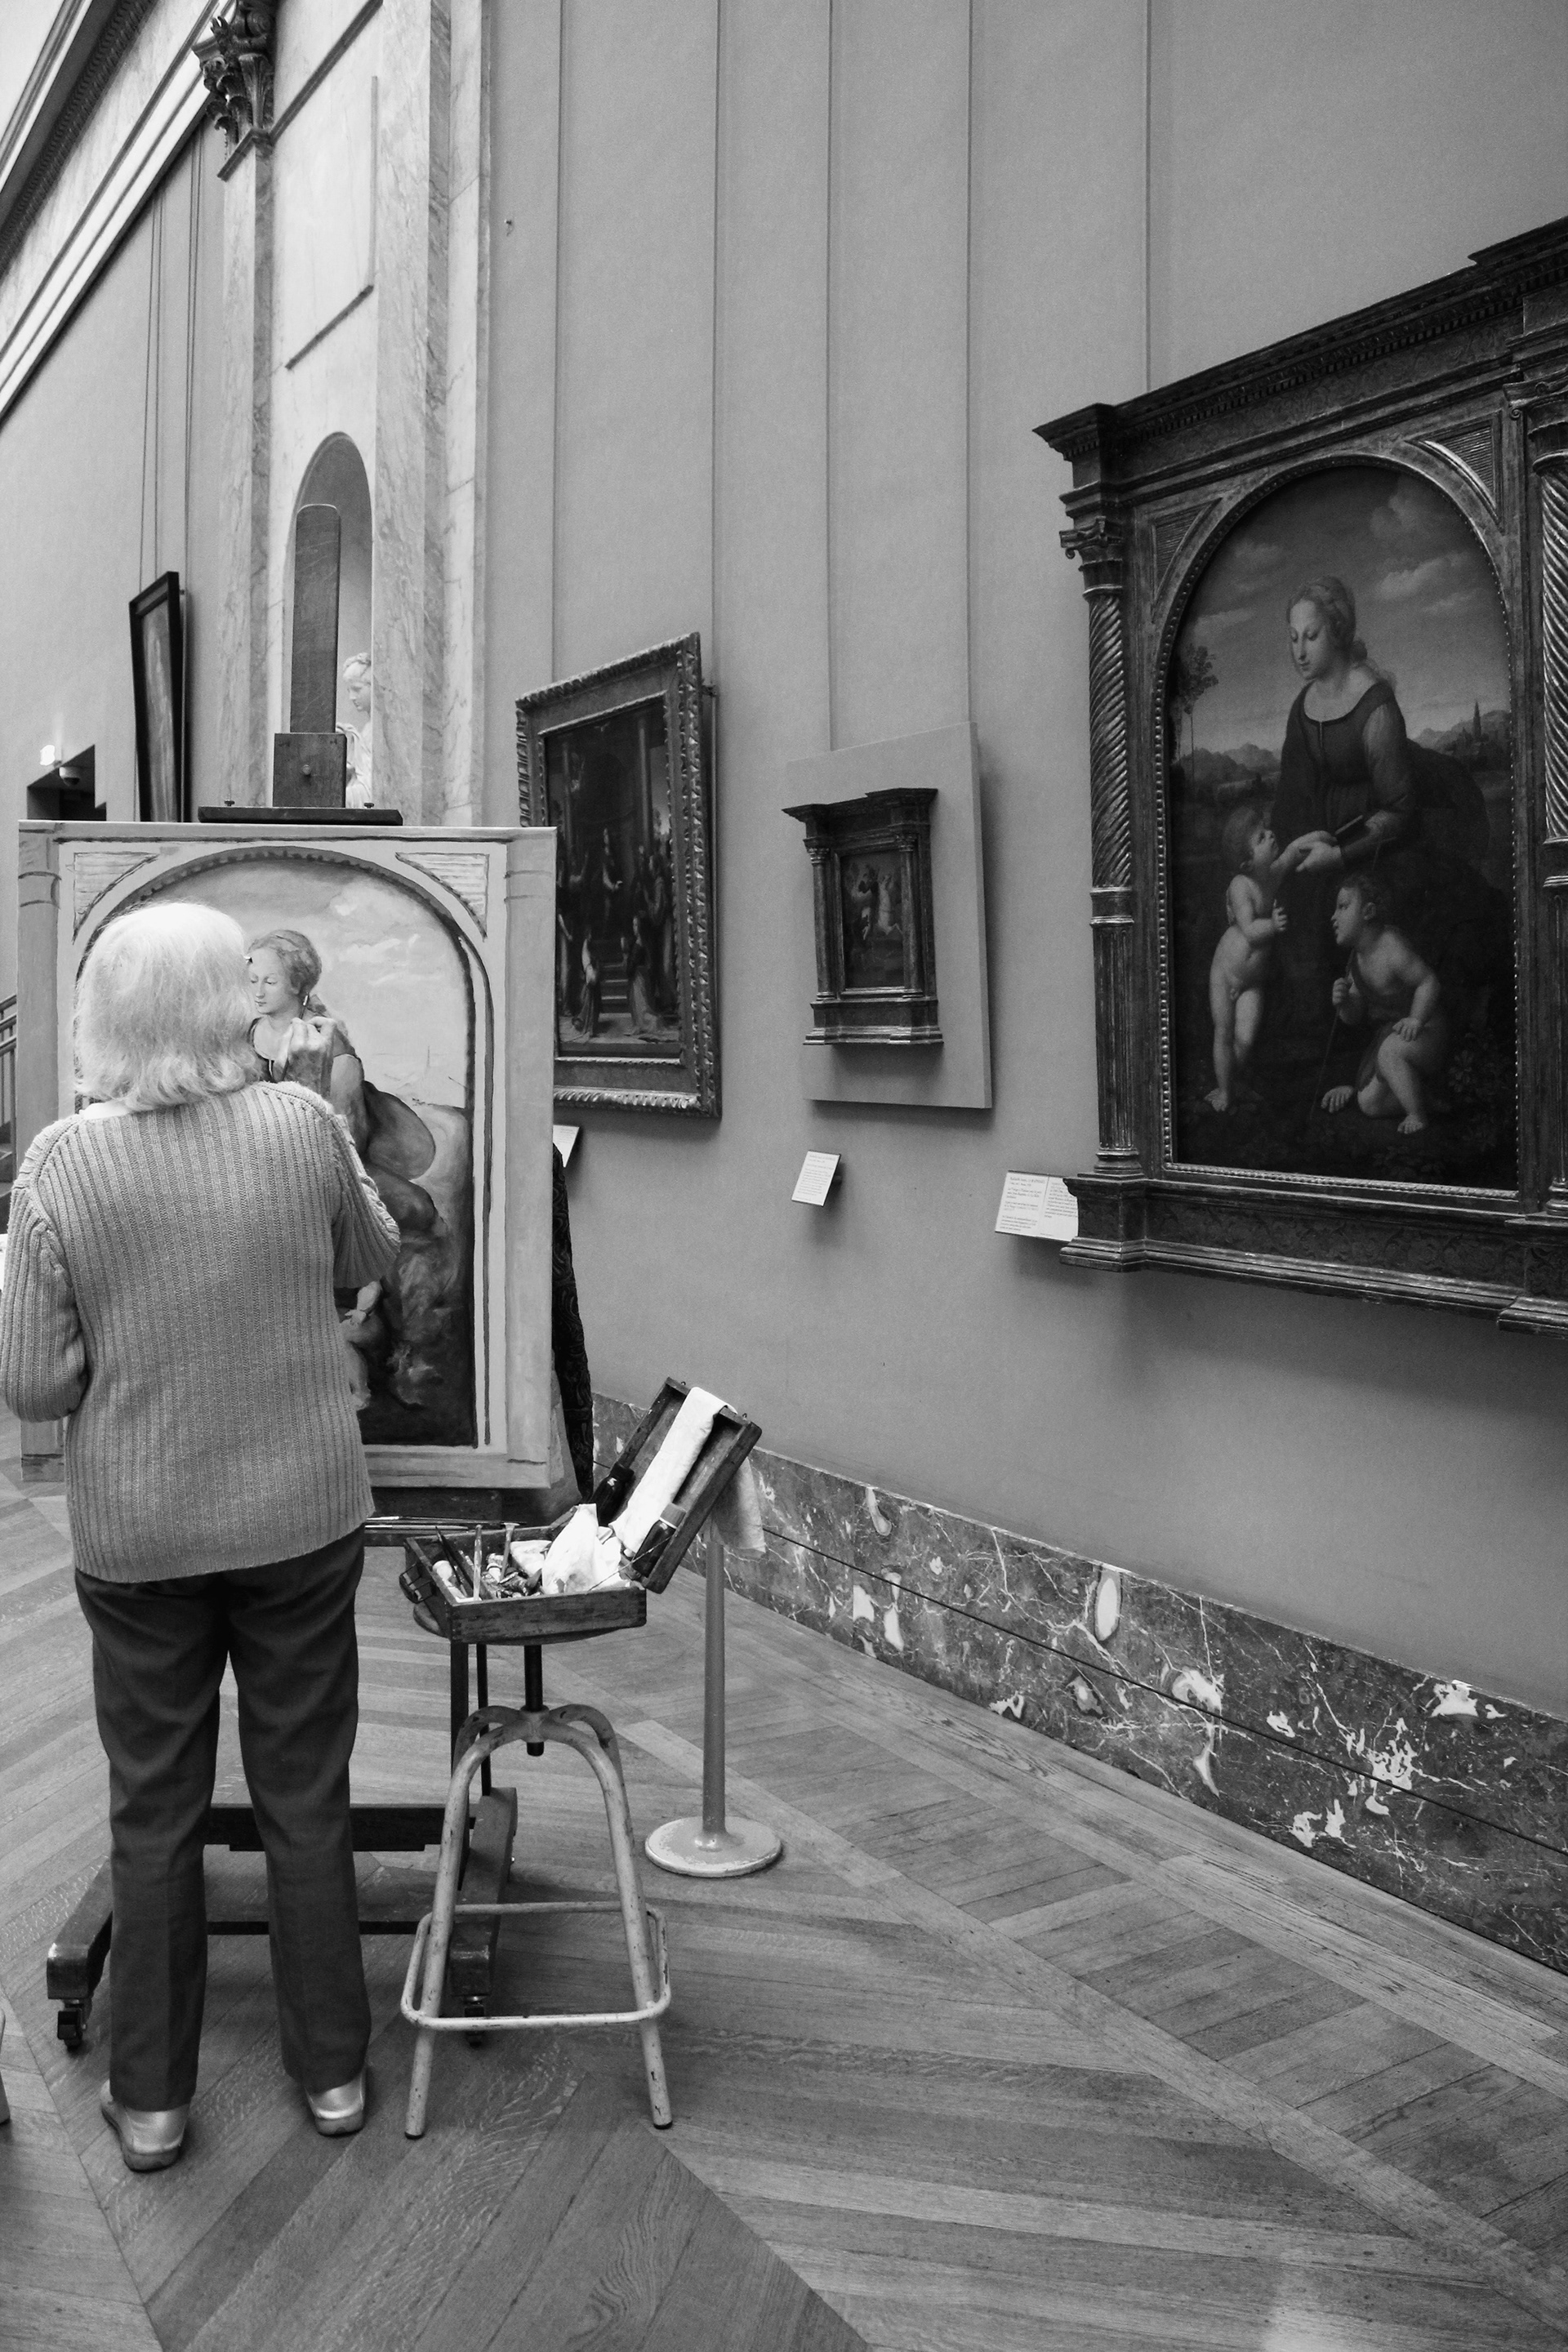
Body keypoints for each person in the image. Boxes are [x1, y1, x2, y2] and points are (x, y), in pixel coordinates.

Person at [0, 903, 400, 2171]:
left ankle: (155, 2102)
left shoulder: (61, 1163)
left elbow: (33, 1383)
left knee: (155, 1810)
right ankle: (334, 2075)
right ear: (229, 1005)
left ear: (106, 1018)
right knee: (306, 1793)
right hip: (301, 1519)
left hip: (142, 1534)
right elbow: (372, 1253)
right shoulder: (301, 1125)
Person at [1205, 808, 1322, 1109]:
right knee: (1223, 1033)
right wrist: (1273, 925)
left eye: (1267, 829)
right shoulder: (1240, 885)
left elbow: (1294, 851)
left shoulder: (1271, 874)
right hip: (1225, 975)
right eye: (1261, 837)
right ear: (1246, 863)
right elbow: (1249, 930)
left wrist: (1322, 838)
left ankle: (1230, 1082)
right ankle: (1225, 1093)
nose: (1270, 835)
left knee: (1245, 1040)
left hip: (1252, 982)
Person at [1321, 874, 1450, 1133]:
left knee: (1389, 1051)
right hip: (1395, 1038)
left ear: (1368, 912)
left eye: (1343, 907)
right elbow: (1354, 1016)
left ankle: (1417, 1116)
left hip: (1428, 1031)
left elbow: (1428, 982)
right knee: (1369, 1104)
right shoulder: (1356, 961)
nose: (1334, 917)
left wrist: (1416, 1019)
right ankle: (1427, 1100)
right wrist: (1343, 1002)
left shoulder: (1391, 946)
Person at [247, 929, 369, 1152]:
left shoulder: (329, 1044)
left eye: (270, 982)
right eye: (253, 980)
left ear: (297, 984)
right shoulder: (246, 1034)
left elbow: (349, 1140)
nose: (258, 992)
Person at [342, 653, 372, 808]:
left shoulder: (377, 731)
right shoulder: (367, 728)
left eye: (357, 689)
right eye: (349, 690)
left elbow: (370, 781)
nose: (352, 697)